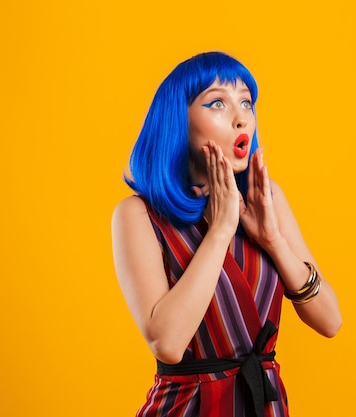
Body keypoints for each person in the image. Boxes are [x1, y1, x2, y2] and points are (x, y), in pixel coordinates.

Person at [111, 51, 342, 417]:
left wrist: (273, 241)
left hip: (264, 405)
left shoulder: (266, 199)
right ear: (178, 121)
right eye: (217, 102)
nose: (241, 119)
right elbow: (168, 343)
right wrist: (220, 230)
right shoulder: (138, 215)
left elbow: (330, 320)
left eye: (247, 103)